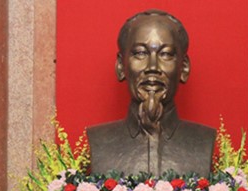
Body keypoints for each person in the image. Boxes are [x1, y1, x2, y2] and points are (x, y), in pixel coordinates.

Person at [87, 9, 216, 177]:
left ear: (184, 67)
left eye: (166, 54)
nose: (153, 67)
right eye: (140, 53)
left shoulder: (204, 140)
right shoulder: (98, 141)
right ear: (120, 66)